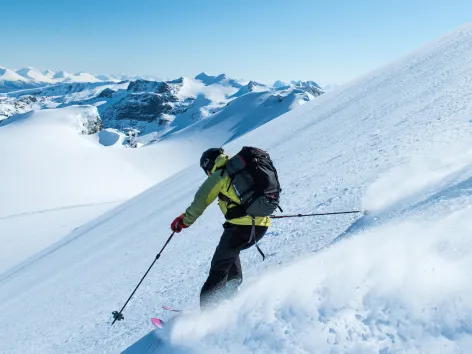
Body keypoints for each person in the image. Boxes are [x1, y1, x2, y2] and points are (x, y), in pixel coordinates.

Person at [170, 147, 270, 309]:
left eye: (206, 170)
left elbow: (200, 202)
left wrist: (183, 221)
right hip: (260, 226)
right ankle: (231, 290)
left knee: (219, 267)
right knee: (229, 253)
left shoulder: (220, 176)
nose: (207, 173)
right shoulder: (242, 169)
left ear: (209, 165)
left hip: (240, 228)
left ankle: (208, 314)